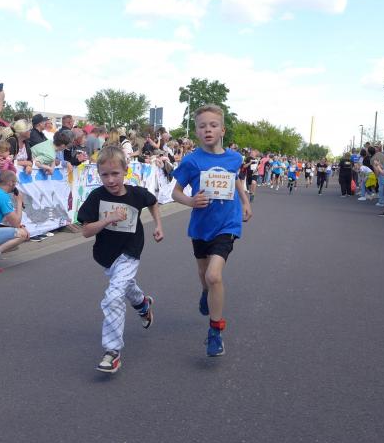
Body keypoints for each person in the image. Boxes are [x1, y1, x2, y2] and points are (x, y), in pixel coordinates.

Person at [171, 104, 252, 358]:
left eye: (213, 125)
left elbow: (235, 179)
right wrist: (190, 201)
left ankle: (215, 331)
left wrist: (245, 201)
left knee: (214, 275)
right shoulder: (191, 161)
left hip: (227, 224)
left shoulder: (234, 158)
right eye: (202, 126)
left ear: (222, 130)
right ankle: (205, 292)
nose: (208, 130)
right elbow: (175, 192)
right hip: (201, 226)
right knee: (203, 273)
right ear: (196, 131)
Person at [77, 145, 163, 374]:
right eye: (104, 175)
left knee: (113, 296)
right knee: (125, 285)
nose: (110, 180)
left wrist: (158, 225)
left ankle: (112, 351)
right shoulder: (97, 197)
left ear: (126, 170)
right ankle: (143, 304)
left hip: (131, 251)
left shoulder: (136, 194)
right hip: (106, 255)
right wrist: (108, 219)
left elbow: (153, 202)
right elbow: (86, 231)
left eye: (115, 173)